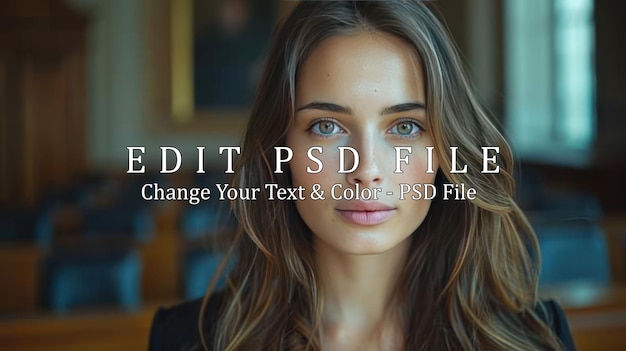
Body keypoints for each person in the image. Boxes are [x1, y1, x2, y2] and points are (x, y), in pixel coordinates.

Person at [149, 1, 576, 350]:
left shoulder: (537, 338)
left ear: (446, 150)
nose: (367, 169)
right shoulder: (186, 341)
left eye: (405, 127)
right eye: (326, 126)